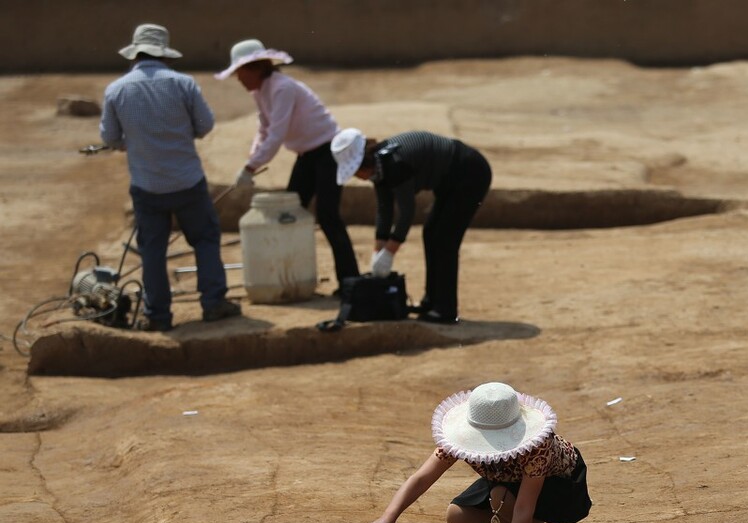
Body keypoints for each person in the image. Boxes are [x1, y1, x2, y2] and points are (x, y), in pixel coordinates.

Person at [367, 382, 591, 523]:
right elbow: (422, 477)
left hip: (559, 485)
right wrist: (389, 516)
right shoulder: (459, 439)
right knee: (458, 517)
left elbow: (524, 506)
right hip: (504, 479)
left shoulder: (537, 445)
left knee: (500, 497)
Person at [99, 23, 241, 332]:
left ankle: (158, 316)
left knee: (152, 251)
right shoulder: (183, 84)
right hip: (187, 180)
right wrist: (179, 133)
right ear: (166, 55)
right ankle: (214, 302)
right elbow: (205, 125)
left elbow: (110, 138)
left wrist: (133, 141)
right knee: (204, 239)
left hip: (147, 186)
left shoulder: (116, 89)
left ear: (135, 53)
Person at [215, 39, 360, 293]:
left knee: (328, 216)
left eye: (241, 72)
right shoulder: (260, 91)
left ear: (256, 68)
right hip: (306, 155)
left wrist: (251, 168)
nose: (238, 79)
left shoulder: (282, 88)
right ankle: (292, 274)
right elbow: (264, 128)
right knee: (291, 211)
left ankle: (350, 281)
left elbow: (277, 134)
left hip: (327, 152)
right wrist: (251, 162)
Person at [331, 129, 492, 324]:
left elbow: (406, 212)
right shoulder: (379, 165)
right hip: (450, 180)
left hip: (470, 174)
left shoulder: (394, 164)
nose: (357, 177)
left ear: (364, 164)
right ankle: (431, 301)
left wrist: (389, 253)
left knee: (444, 240)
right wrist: (378, 251)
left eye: (355, 171)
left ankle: (445, 309)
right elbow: (385, 209)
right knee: (431, 233)